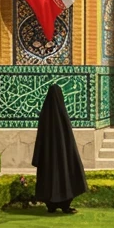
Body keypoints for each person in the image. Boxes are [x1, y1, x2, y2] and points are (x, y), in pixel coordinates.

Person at [32, 83, 88, 213]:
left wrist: (38, 156)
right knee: (64, 177)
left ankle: (50, 206)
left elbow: (40, 138)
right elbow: (68, 139)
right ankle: (64, 205)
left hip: (47, 157)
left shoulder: (44, 115)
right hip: (62, 157)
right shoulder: (62, 115)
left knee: (48, 177)